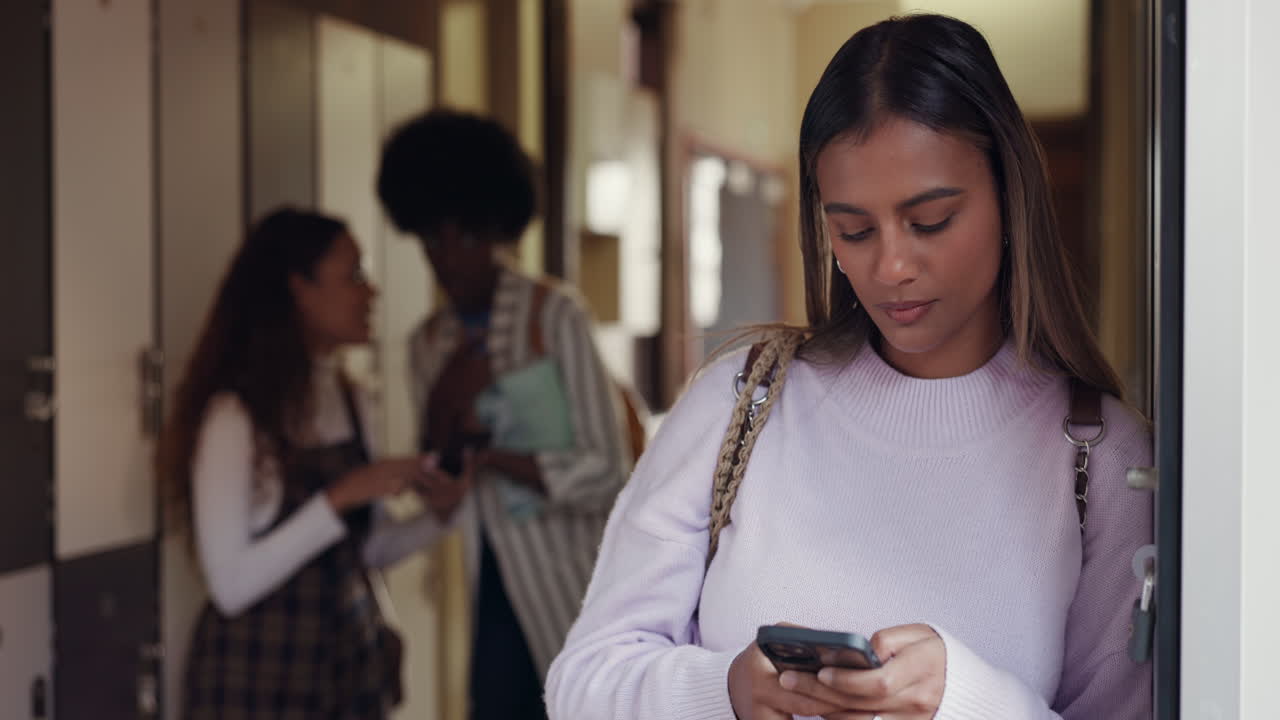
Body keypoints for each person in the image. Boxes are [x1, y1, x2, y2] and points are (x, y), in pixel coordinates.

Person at [546, 14, 1152, 720]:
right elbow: (583, 681)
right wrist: (725, 691)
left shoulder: (1102, 458)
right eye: (853, 231)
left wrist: (963, 700)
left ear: (1010, 197)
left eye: (931, 221)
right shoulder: (741, 402)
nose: (891, 266)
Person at [377, 109, 633, 720]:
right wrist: (450, 394)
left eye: (465, 237)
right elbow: (437, 475)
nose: (448, 258)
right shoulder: (428, 344)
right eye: (433, 240)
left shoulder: (553, 315)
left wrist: (494, 457)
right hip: (487, 590)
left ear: (495, 229)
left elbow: (609, 469)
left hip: (574, 581)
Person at [159, 208, 448, 719]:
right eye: (353, 275)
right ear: (300, 289)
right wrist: (342, 496)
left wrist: (445, 514)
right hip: (257, 677)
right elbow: (230, 587)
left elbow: (367, 551)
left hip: (345, 670)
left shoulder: (352, 400)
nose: (371, 291)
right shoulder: (235, 415)